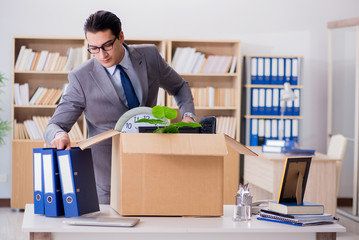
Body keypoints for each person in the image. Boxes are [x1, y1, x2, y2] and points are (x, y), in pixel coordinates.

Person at [44, 10, 196, 204]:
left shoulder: (149, 56)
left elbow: (179, 86)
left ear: (121, 36)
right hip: (107, 178)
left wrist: (188, 116)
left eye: (106, 45)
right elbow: (55, 125)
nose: (102, 55)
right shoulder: (81, 78)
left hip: (152, 165)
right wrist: (59, 135)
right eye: (94, 48)